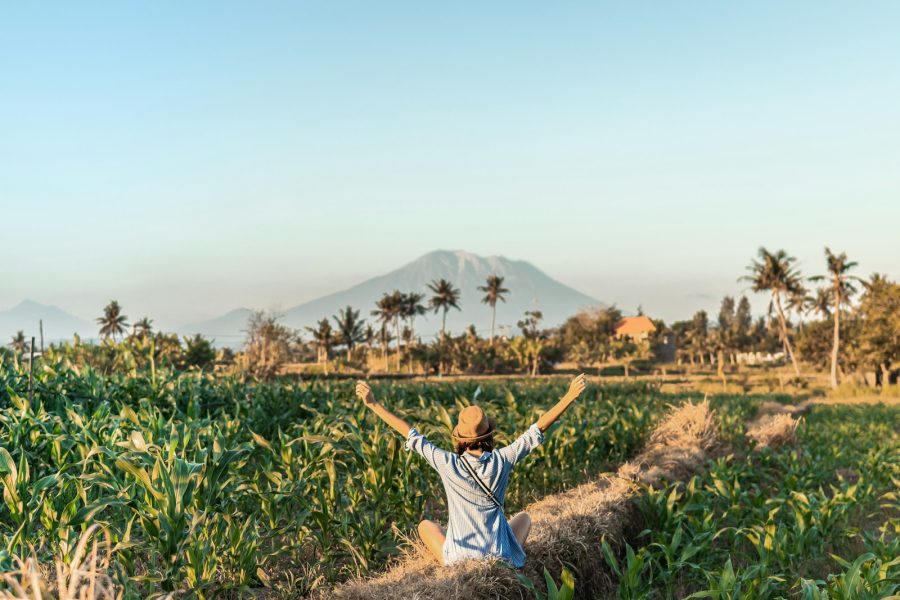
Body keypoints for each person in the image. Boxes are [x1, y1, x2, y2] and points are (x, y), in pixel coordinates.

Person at [354, 374, 588, 568]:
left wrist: (373, 403)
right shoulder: (503, 459)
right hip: (499, 557)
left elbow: (410, 434)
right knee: (524, 518)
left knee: (425, 526)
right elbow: (539, 428)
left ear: (460, 438)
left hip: (460, 558)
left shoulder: (447, 462)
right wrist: (569, 396)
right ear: (488, 436)